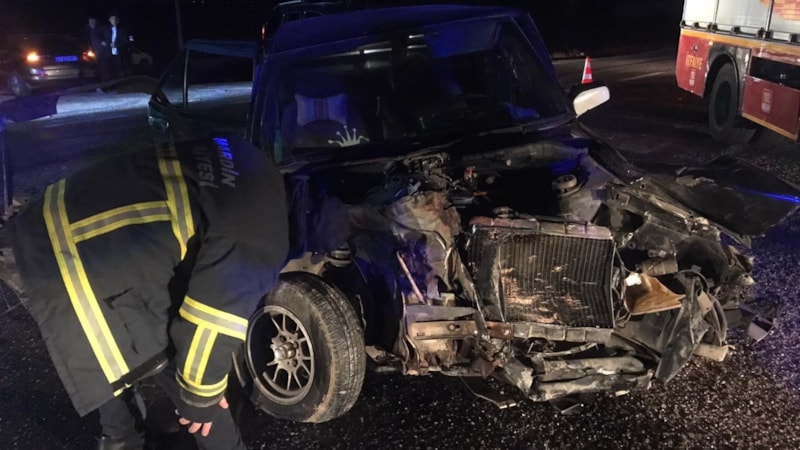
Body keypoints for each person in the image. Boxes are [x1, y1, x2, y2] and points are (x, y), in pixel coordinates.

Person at [7, 133, 290, 450]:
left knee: (104, 345)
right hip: (63, 256)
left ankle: (121, 437)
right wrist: (201, 399)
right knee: (163, 355)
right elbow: (211, 322)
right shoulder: (262, 235)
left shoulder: (249, 160)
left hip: (41, 223)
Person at [102, 13, 135, 79]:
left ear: (118, 20)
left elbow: (126, 41)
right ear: (109, 20)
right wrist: (102, 42)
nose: (114, 21)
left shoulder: (123, 30)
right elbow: (99, 36)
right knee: (109, 70)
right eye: (112, 19)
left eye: (115, 19)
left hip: (120, 53)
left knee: (121, 70)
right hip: (108, 53)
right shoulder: (106, 29)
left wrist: (116, 45)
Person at [85, 17, 110, 81]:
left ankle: (105, 79)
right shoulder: (88, 30)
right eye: (90, 21)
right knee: (96, 65)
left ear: (95, 21)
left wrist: (103, 41)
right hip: (92, 51)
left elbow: (106, 37)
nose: (91, 22)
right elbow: (88, 40)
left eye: (92, 21)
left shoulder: (100, 28)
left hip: (101, 50)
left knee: (103, 65)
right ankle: (99, 79)